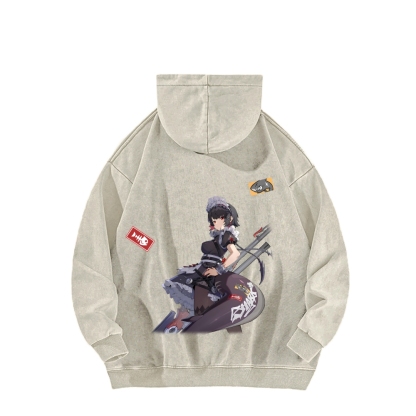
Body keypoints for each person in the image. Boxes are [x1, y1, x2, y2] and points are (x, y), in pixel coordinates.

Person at [158, 196, 265, 333]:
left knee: (203, 302)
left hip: (210, 274)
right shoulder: (218, 235)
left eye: (217, 219)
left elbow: (235, 254)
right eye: (213, 220)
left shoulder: (226, 235)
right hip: (201, 270)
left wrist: (219, 269)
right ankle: (183, 324)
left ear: (226, 218)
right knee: (195, 300)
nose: (214, 222)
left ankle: (195, 325)